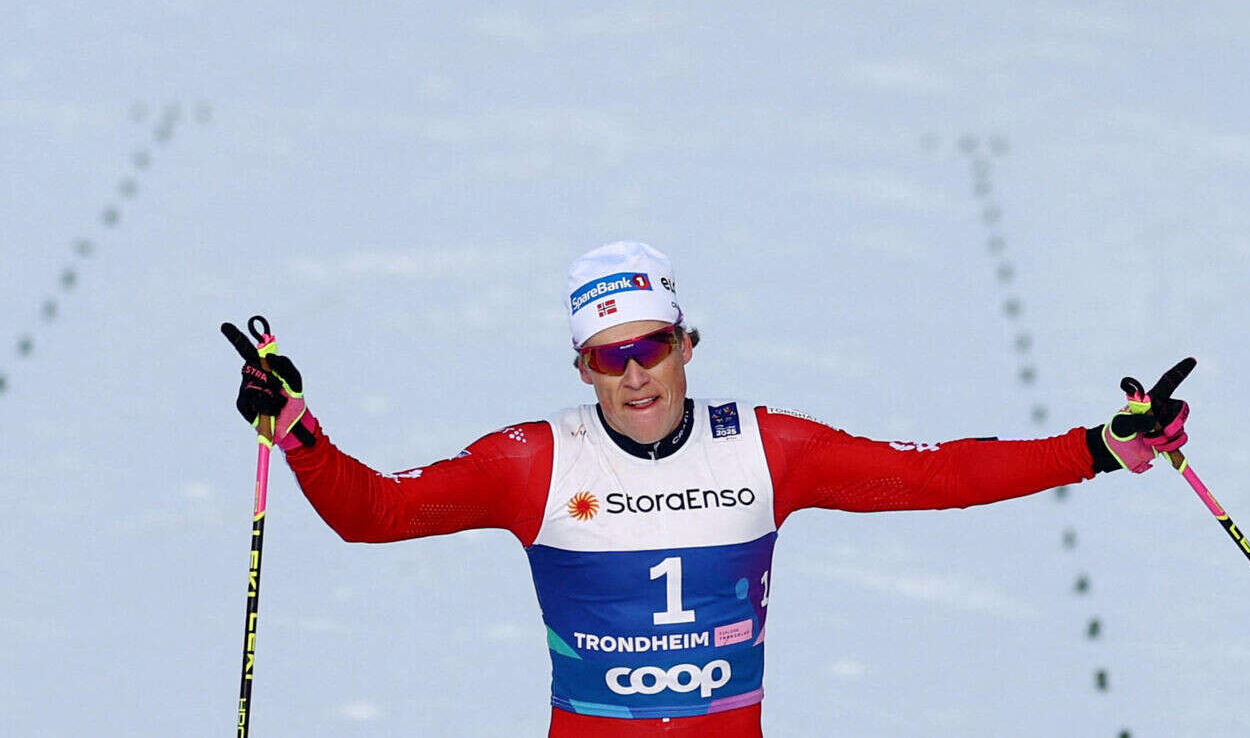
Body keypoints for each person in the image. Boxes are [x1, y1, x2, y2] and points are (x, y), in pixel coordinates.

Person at [227, 240, 1193, 737]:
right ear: (582, 370)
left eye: (650, 346)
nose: (634, 374)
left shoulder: (766, 450)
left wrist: (1100, 446)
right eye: (609, 359)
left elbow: (930, 475)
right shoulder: (532, 462)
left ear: (689, 345)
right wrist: (302, 433)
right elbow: (377, 514)